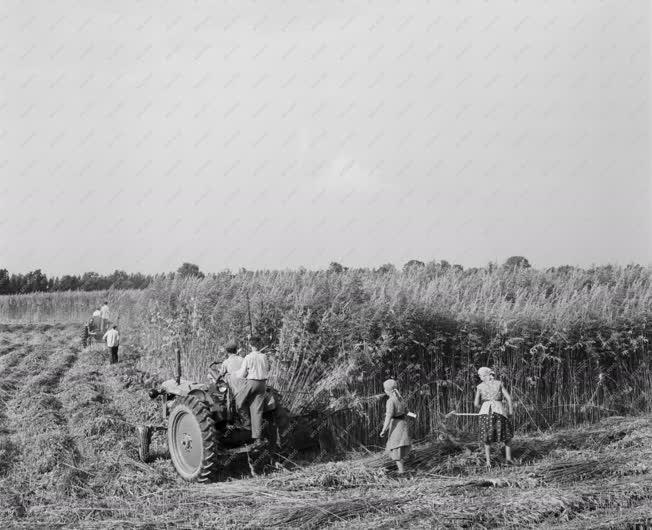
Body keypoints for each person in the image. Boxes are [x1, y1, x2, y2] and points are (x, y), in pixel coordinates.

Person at [474, 366, 514, 468]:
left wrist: (483, 407)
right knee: (507, 437)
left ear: (484, 375)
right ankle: (508, 460)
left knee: (487, 439)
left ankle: (488, 462)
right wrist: (510, 411)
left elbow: (476, 404)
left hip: (485, 413)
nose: (479, 377)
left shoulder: (480, 386)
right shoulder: (499, 383)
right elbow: (509, 399)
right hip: (499, 412)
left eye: (480, 375)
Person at [235, 336, 270, 448]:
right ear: (259, 344)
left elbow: (241, 374)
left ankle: (245, 424)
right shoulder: (264, 356)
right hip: (262, 385)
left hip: (252, 383)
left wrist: (233, 374)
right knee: (257, 411)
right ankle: (257, 439)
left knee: (238, 401)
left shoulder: (248, 357)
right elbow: (267, 369)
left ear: (250, 345)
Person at [380, 379, 411, 474]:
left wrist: (383, 430)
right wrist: (415, 416)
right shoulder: (401, 399)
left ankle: (402, 473)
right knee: (399, 449)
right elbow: (407, 412)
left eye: (384, 389)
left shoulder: (390, 401)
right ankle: (400, 470)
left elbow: (388, 416)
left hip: (396, 426)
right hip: (403, 424)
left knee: (396, 449)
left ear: (386, 390)